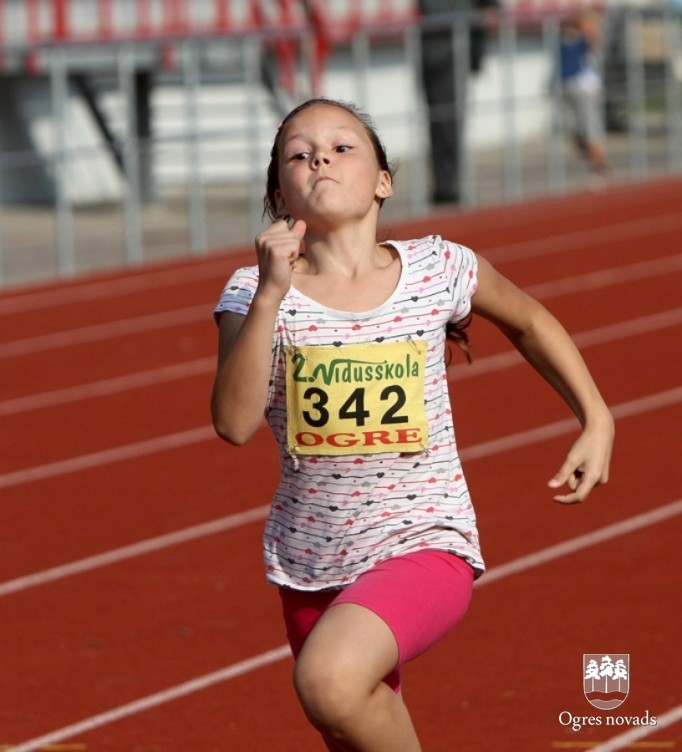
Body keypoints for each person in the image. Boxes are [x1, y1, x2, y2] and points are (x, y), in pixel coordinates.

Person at [210, 98, 614, 752]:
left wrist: (596, 417)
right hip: (311, 561)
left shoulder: (435, 268)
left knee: (330, 682)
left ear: (382, 181)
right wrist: (268, 295)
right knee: (352, 716)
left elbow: (531, 321)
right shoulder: (252, 295)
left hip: (424, 540)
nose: (320, 157)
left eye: (343, 146)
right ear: (280, 192)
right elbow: (232, 423)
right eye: (298, 152)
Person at [418, 0, 499, 204]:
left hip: (455, 56)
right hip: (440, 58)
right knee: (443, 124)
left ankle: (449, 186)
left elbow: (492, 9)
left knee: (450, 124)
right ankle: (447, 188)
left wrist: (477, 54)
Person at [556, 10, 610, 180]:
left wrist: (590, 27)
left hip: (583, 88)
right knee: (577, 134)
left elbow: (593, 41)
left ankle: (600, 169)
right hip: (569, 87)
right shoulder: (567, 38)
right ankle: (596, 164)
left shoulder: (587, 42)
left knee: (590, 132)